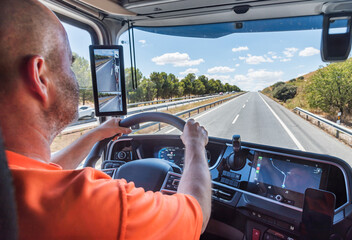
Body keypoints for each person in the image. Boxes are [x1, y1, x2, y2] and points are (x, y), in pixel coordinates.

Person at [0, 0, 211, 239]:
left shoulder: (14, 179)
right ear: (40, 76)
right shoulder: (94, 203)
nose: (75, 78)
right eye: (69, 64)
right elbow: (197, 215)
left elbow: (47, 172)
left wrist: (97, 134)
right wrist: (194, 144)